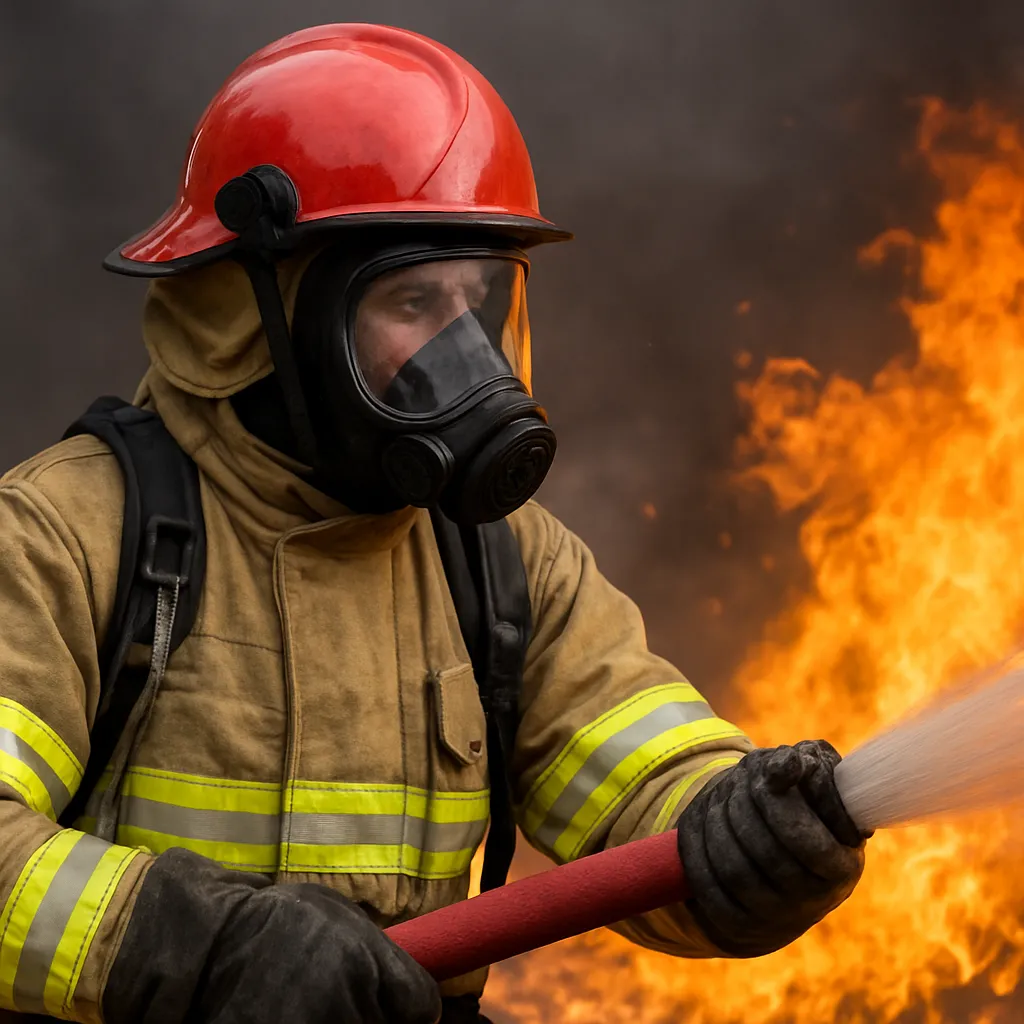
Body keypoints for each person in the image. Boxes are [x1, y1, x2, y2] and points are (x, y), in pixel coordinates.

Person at [0, 23, 869, 1024]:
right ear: (268, 314)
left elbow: (641, 785)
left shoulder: (499, 564)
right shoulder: (72, 534)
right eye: (414, 300)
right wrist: (195, 948)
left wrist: (732, 826)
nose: (464, 349)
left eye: (478, 301)